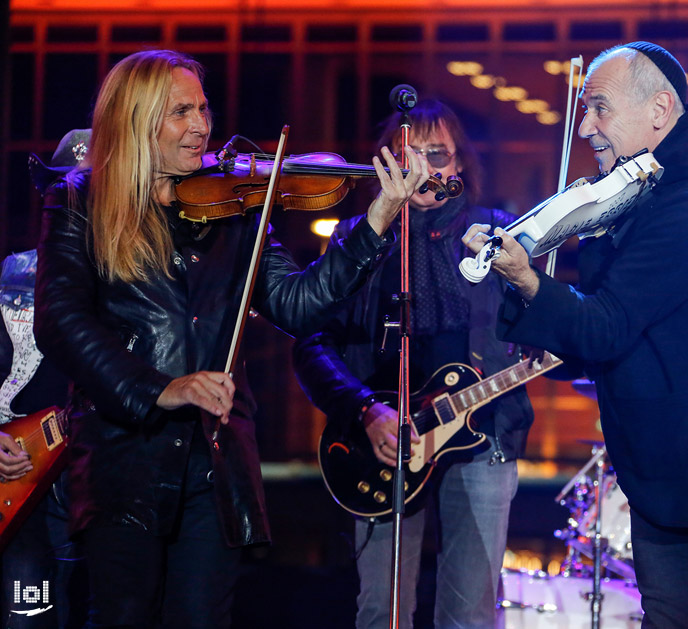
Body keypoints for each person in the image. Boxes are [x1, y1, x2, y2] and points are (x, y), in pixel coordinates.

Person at [33, 49, 428, 627]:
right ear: (136, 119)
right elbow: (60, 321)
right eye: (180, 112)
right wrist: (161, 389)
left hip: (217, 464)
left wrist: (377, 220)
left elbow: (296, 304)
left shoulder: (235, 203)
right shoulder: (77, 199)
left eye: (203, 108)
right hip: (124, 462)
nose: (201, 126)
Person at [463, 41, 688, 628]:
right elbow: (598, 329)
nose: (585, 126)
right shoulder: (639, 196)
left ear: (659, 111)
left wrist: (528, 280)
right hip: (667, 454)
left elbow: (606, 324)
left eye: (599, 109)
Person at [292, 99, 535, 629]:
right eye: (412, 156)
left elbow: (543, 326)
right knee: (383, 610)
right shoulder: (358, 236)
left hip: (483, 434)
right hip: (384, 443)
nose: (425, 169)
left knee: (470, 613)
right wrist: (361, 410)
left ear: (460, 163)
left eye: (438, 154)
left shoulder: (500, 234)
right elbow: (311, 339)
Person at [0, 129, 90, 628]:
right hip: (25, 477)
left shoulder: (145, 281)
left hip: (104, 485)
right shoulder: (12, 275)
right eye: (69, 189)